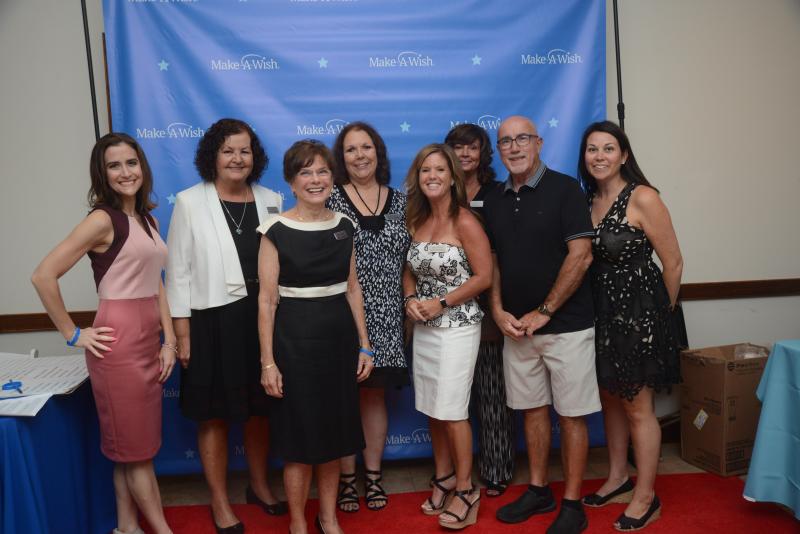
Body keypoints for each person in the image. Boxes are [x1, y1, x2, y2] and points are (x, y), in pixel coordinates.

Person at [31, 133, 174, 534]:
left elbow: (157, 282)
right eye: (114, 165)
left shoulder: (148, 218)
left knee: (129, 452)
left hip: (149, 339)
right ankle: (162, 530)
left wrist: (170, 340)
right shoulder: (101, 219)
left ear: (142, 167)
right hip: (120, 344)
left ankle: (126, 527)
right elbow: (43, 275)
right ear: (102, 173)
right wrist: (73, 334)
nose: (125, 172)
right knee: (138, 453)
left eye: (131, 162)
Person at [166, 118, 285, 534]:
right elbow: (177, 272)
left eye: (245, 150)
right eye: (228, 150)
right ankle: (219, 501)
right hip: (211, 320)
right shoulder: (189, 201)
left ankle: (258, 486)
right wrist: (182, 334)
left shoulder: (273, 199)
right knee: (213, 416)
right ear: (213, 156)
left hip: (263, 320)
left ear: (256, 157)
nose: (237, 158)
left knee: (259, 412)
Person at [483, 116, 600, 534]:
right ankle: (538, 489)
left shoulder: (567, 189)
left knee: (570, 415)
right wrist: (497, 310)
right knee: (531, 411)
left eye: (522, 140)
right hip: (517, 329)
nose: (514, 148)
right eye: (505, 142)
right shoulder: (495, 198)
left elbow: (581, 256)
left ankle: (571, 503)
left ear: (539, 143)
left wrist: (546, 310)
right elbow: (492, 261)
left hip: (565, 325)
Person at [257, 140, 374, 534]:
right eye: (306, 172)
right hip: (293, 346)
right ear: (291, 182)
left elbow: (353, 289)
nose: (315, 179)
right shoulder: (274, 230)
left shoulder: (344, 225)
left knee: (333, 437)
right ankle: (296, 523)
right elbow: (267, 300)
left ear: (332, 178)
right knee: (299, 440)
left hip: (339, 345)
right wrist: (268, 362)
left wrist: (365, 344)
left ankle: (327, 518)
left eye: (322, 171)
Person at [578, 121, 683, 531]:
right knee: (611, 398)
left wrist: (660, 316)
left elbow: (673, 261)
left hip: (641, 316)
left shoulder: (643, 197)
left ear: (624, 155)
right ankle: (619, 477)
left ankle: (646, 495)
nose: (599, 156)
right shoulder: (587, 200)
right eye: (592, 149)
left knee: (639, 408)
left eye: (608, 149)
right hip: (601, 314)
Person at [403, 144, 492, 530]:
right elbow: (410, 267)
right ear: (418, 177)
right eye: (426, 170)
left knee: (453, 411)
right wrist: (410, 298)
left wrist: (441, 301)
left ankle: (466, 488)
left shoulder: (466, 221)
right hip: (424, 328)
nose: (432, 176)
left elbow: (484, 276)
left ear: (453, 176)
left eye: (440, 169)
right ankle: (443, 478)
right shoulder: (416, 219)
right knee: (433, 409)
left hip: (459, 327)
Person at [328, 122, 411, 512]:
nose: (360, 155)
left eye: (366, 147)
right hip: (342, 315)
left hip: (390, 317)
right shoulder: (329, 199)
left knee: (374, 396)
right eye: (350, 149)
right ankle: (346, 481)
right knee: (343, 398)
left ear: (378, 152)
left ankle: (373, 476)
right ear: (340, 159)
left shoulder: (402, 200)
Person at [444, 123, 514, 498]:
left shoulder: (497, 193)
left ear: (483, 153)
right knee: (453, 397)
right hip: (447, 307)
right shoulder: (438, 188)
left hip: (489, 305)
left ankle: (498, 468)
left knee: (491, 393)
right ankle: (456, 471)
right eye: (458, 147)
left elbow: (501, 253)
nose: (465, 154)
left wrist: (498, 304)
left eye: (473, 148)